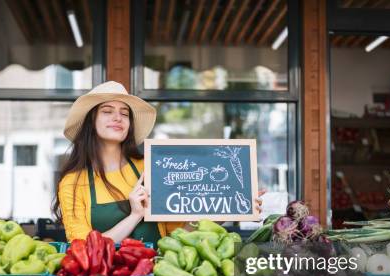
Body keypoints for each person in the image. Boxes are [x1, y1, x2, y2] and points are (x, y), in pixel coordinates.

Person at [53, 81, 263, 243]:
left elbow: (180, 234)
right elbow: (82, 248)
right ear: (91, 121)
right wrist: (135, 215)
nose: (118, 118)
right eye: (107, 111)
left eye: (124, 113)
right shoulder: (73, 183)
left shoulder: (152, 167)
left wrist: (232, 207)